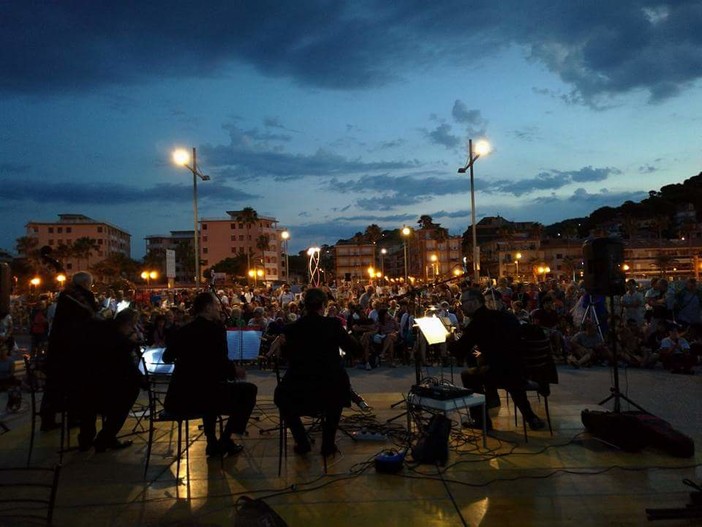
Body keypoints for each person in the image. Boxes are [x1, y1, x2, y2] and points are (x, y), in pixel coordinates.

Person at [163, 292, 258, 457]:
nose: (218, 308)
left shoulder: (184, 330)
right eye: (216, 305)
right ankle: (225, 439)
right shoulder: (216, 330)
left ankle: (212, 441)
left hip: (179, 397)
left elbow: (166, 357)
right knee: (248, 392)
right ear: (207, 308)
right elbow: (220, 360)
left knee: (212, 390)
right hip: (205, 397)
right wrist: (234, 371)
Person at [271, 288, 362, 456]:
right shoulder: (333, 325)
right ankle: (328, 444)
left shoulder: (292, 328)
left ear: (304, 306)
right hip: (330, 390)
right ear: (323, 305)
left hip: (299, 391)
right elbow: (355, 350)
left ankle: (302, 441)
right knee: (340, 384)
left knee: (280, 396)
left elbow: (286, 357)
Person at [449, 288, 545, 431]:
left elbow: (459, 351)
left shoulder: (478, 322)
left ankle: (481, 420)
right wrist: (480, 353)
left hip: (501, 371)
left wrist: (449, 339)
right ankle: (530, 417)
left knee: (468, 375)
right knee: (501, 370)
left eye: (463, 302)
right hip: (521, 369)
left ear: (475, 302)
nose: (461, 306)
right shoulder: (506, 317)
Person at [76, 308, 144, 452]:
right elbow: (127, 367)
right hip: (104, 389)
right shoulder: (120, 341)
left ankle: (86, 439)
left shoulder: (102, 331)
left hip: (84, 385)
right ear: (127, 324)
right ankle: (105, 437)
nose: (134, 329)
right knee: (129, 394)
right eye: (133, 325)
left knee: (93, 399)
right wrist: (144, 382)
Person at [41, 271, 100, 431]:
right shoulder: (82, 296)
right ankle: (75, 417)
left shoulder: (66, 295)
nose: (91, 286)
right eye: (90, 283)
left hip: (58, 347)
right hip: (74, 348)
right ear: (85, 283)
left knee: (54, 386)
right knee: (76, 384)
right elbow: (93, 316)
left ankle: (47, 420)